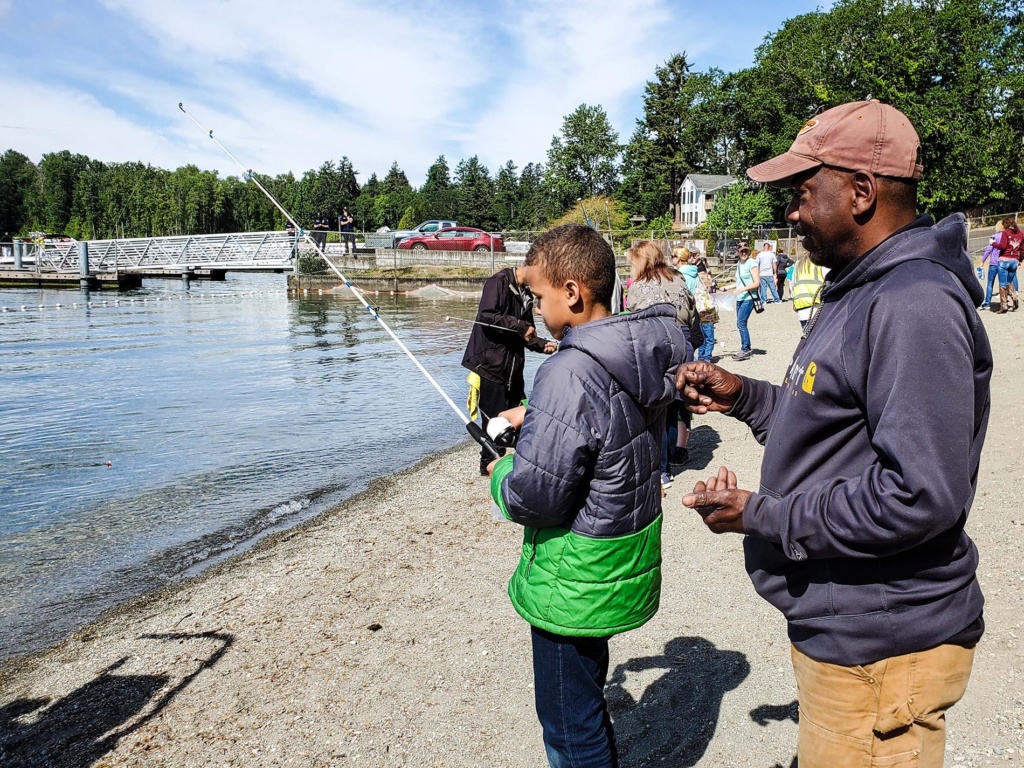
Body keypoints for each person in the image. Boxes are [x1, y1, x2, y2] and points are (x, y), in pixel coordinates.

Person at [677, 100, 991, 768]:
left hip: (883, 645)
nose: (790, 211)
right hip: (851, 628)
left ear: (860, 192)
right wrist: (744, 397)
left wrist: (761, 515)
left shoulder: (911, 304)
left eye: (801, 192)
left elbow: (920, 496)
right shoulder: (858, 288)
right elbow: (834, 421)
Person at [487, 224, 690, 768]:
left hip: (574, 574)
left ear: (572, 291)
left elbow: (535, 497)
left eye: (537, 295)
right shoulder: (638, 352)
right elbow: (609, 420)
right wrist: (535, 416)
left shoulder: (567, 370)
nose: (534, 307)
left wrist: (500, 469)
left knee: (568, 724)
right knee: (585, 692)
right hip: (619, 555)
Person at [461, 265, 554, 476]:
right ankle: (489, 467)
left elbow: (526, 333)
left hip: (513, 369)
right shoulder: (499, 282)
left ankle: (519, 465)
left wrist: (541, 344)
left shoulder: (526, 294)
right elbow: (486, 316)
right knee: (493, 422)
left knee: (518, 419)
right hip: (490, 366)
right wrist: (519, 326)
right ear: (530, 268)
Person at [625, 240, 701, 484]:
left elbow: (633, 319)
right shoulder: (677, 280)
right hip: (682, 344)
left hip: (655, 345)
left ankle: (657, 469)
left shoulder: (640, 286)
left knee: (653, 408)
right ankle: (667, 467)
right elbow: (691, 315)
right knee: (672, 408)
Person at [733, 246, 759, 360]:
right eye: (741, 251)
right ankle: (745, 346)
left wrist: (743, 289)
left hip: (749, 297)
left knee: (741, 322)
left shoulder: (751, 263)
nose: (744, 253)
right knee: (741, 323)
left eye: (746, 251)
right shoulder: (739, 264)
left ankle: (745, 348)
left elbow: (757, 283)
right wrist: (727, 287)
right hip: (740, 297)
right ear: (737, 252)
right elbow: (739, 283)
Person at [789, 255, 827, 330]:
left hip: (802, 309)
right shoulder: (821, 263)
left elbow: (792, 284)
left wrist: (794, 301)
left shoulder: (798, 264)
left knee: (808, 337)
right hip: (818, 307)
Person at [994, 216, 1023, 313]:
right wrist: (1020, 260)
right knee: (1009, 282)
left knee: (1002, 284)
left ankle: (1004, 306)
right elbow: (1022, 250)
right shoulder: (1021, 234)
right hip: (1014, 260)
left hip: (1004, 260)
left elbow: (1002, 246)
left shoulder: (1005, 233)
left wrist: (993, 243)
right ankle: (1014, 298)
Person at [980, 234, 1000, 308]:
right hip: (1003, 263)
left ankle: (987, 302)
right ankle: (1005, 301)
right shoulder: (1006, 236)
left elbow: (988, 250)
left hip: (993, 263)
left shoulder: (993, 237)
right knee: (1003, 283)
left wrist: (982, 261)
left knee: (990, 283)